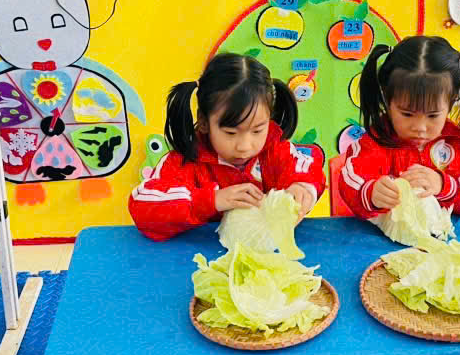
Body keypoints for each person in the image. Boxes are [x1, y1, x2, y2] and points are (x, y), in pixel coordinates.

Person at [129, 53, 325, 241]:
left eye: (257, 130)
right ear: (204, 122)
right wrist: (212, 200)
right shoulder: (183, 161)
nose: (245, 147)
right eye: (231, 133)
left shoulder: (275, 150)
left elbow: (307, 168)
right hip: (192, 256)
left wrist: (302, 187)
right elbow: (142, 205)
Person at [337, 36, 460, 218]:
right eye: (407, 114)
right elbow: (349, 183)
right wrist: (371, 192)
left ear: (451, 103)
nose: (420, 128)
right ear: (387, 100)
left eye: (433, 115)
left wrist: (445, 186)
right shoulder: (373, 144)